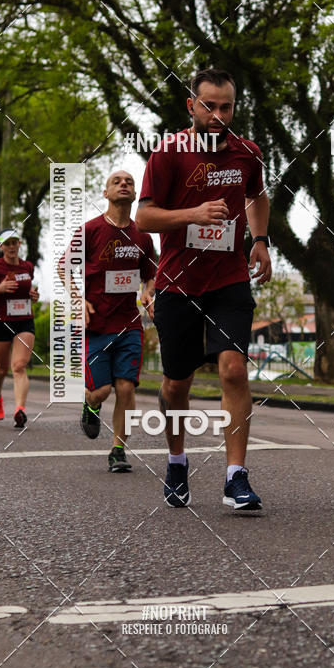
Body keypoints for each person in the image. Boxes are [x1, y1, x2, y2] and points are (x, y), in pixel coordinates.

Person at [135, 68, 272, 510]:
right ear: (191, 106)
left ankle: (236, 476)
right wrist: (191, 214)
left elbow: (258, 195)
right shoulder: (168, 153)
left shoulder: (247, 153)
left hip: (229, 281)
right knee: (177, 384)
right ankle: (176, 460)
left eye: (226, 107)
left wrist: (261, 240)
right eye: (209, 105)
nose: (218, 114)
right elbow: (144, 218)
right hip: (179, 284)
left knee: (233, 370)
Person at [66, 170, 156, 472]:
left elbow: (150, 275)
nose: (124, 184)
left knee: (126, 389)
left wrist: (147, 293)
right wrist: (79, 301)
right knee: (101, 391)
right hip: (96, 326)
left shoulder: (143, 235)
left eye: (129, 182)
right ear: (106, 193)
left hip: (128, 324)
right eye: (117, 181)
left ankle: (118, 450)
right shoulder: (89, 231)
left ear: (135, 194)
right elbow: (64, 267)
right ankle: (90, 404)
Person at [0, 230, 39, 427]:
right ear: (1, 247)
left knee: (19, 366)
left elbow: (27, 288)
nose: (11, 247)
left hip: (24, 321)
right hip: (0, 321)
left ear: (19, 243)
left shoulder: (27, 266)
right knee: (2, 369)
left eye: (14, 242)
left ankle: (19, 410)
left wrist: (33, 295)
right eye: (7, 244)